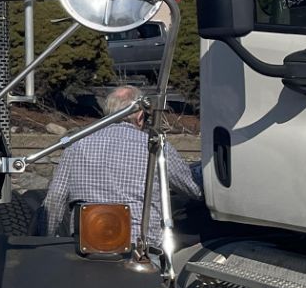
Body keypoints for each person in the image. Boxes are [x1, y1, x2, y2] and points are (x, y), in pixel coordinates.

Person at [42, 85, 200, 247]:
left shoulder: (77, 144)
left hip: (87, 244)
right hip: (140, 247)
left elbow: (55, 199)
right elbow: (193, 189)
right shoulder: (156, 146)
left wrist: (44, 241)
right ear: (139, 115)